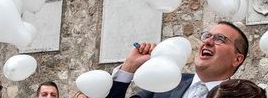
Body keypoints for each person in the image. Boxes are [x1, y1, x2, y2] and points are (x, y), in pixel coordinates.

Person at [106, 21, 249, 98]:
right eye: (206, 36)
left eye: (220, 39)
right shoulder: (166, 82)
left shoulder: (241, 96)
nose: (208, 41)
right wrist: (129, 67)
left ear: (237, 59)